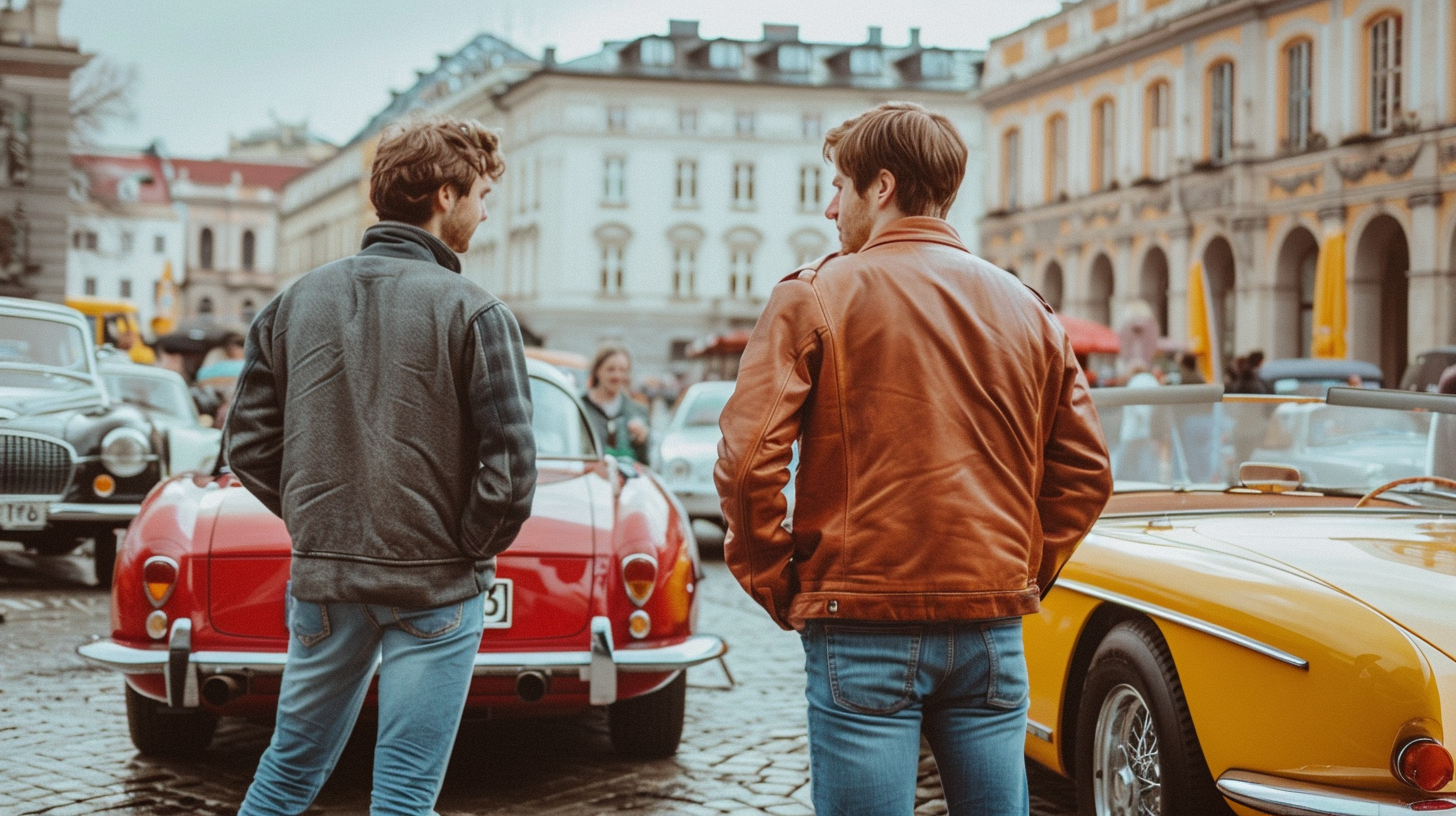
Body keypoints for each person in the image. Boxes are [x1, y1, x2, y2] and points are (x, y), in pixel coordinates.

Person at [713, 101, 1112, 816]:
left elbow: (748, 460)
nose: (831, 208)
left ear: (883, 187)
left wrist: (779, 582)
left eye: (841, 186)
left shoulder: (817, 293)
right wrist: (1016, 573)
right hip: (988, 627)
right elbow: (1086, 473)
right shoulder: (1028, 307)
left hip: (862, 618)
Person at [227, 114, 538, 816]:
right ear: (445, 195)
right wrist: (465, 547)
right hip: (434, 586)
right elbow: (511, 469)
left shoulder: (291, 302)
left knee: (286, 771)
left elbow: (246, 446)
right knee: (403, 793)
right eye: (483, 195)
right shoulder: (477, 310)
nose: (486, 213)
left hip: (326, 579)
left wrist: (322, 518)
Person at [581, 345, 650, 463]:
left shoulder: (638, 411)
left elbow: (645, 464)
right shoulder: (579, 406)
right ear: (597, 371)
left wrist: (642, 440)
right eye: (610, 369)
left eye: (623, 370)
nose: (617, 376)